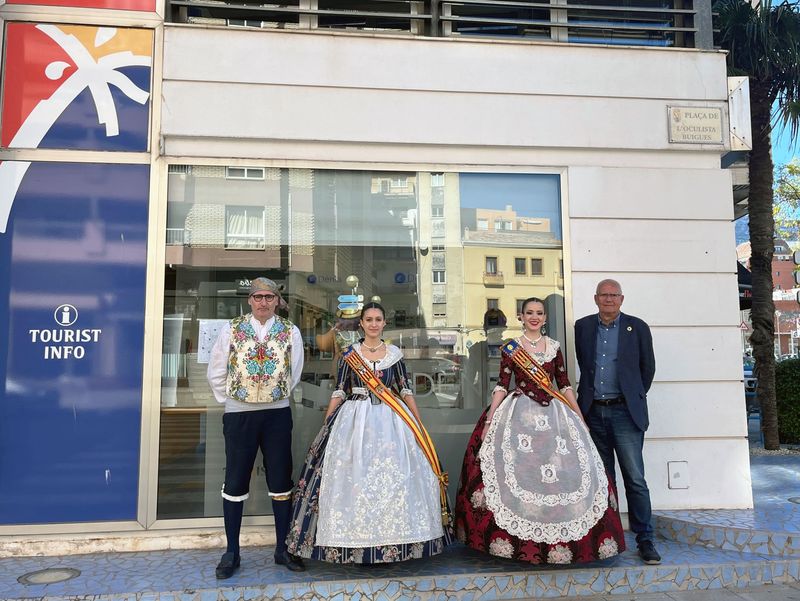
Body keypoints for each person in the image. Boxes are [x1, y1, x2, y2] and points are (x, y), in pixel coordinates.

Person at [455, 297, 625, 564]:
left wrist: (578, 416)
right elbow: (502, 384)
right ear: (521, 317)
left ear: (545, 318)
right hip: (518, 414)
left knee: (563, 473)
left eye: (539, 313)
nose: (534, 317)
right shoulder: (511, 348)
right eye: (529, 313)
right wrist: (489, 420)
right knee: (518, 472)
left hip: (554, 416)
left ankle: (561, 542)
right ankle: (520, 543)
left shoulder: (554, 347)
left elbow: (564, 383)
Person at [287, 302, 453, 563]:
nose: (374, 323)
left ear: (384, 323)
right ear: (361, 324)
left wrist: (417, 422)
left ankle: (397, 541)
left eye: (378, 319)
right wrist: (326, 423)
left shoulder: (395, 354)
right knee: (353, 479)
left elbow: (405, 389)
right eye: (369, 319)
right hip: (354, 421)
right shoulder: (348, 354)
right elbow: (340, 390)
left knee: (396, 478)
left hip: (393, 423)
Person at [207, 277, 306, 578]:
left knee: (280, 479)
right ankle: (232, 552)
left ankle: (282, 549)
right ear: (249, 300)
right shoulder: (232, 328)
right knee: (236, 479)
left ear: (277, 300)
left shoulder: (290, 331)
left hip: (276, 414)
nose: (263, 302)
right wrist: (237, 398)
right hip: (240, 415)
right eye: (258, 297)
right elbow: (217, 368)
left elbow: (295, 371)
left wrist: (272, 395)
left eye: (269, 297)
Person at [574, 279, 659, 565]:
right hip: (593, 413)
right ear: (595, 298)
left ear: (621, 299)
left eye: (613, 295)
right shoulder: (583, 327)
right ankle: (606, 539)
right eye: (603, 295)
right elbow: (585, 367)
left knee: (635, 479)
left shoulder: (638, 328)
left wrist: (631, 397)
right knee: (602, 480)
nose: (608, 300)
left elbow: (647, 370)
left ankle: (645, 540)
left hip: (625, 414)